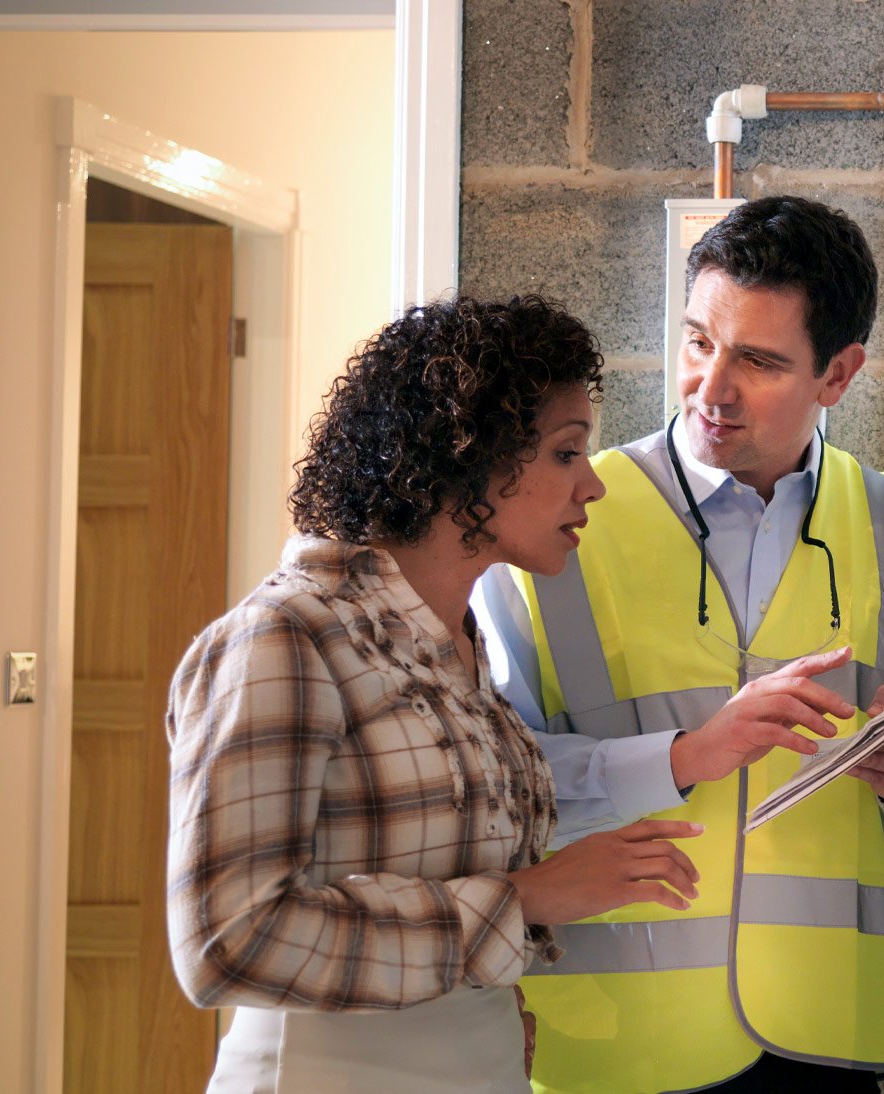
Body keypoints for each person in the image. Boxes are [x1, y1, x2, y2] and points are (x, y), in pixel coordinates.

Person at [474, 195, 884, 1093]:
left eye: (757, 359)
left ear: (839, 374)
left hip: (823, 1044)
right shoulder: (558, 515)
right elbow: (490, 790)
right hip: (613, 1048)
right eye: (699, 342)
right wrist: (681, 757)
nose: (712, 387)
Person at [164, 296, 707, 1093]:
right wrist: (525, 899)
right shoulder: (286, 637)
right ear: (468, 457)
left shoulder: (458, 647)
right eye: (566, 453)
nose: (592, 485)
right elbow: (228, 942)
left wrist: (490, 1013)